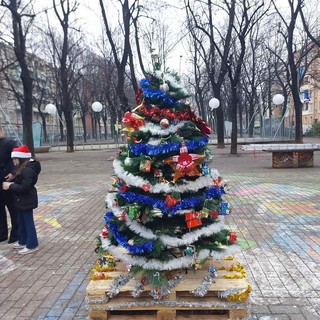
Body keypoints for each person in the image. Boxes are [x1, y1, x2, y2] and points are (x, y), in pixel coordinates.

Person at [2, 145, 41, 254]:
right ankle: (22, 241)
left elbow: (24, 187)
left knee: (28, 223)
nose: (14, 161)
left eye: (15, 159)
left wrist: (10, 186)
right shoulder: (22, 168)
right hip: (21, 200)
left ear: (22, 158)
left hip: (26, 200)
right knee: (21, 221)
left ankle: (32, 245)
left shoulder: (27, 171)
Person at [0, 126, 19, 243]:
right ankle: (2, 234)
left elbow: (19, 160)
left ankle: (16, 234)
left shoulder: (8, 142)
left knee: (13, 209)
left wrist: (13, 173)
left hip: (6, 181)